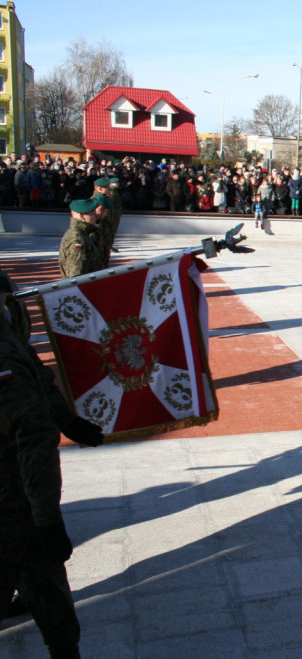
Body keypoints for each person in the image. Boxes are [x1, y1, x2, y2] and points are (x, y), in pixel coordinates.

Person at [0, 276, 94, 658]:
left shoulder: (7, 340)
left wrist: (66, 419)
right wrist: (46, 519)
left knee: (39, 575)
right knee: (39, 569)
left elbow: (36, 375)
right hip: (11, 497)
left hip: (14, 497)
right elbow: (32, 441)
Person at [58, 198, 106, 279]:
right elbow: (76, 276)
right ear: (82, 216)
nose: (95, 217)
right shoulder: (78, 239)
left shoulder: (83, 234)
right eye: (92, 214)